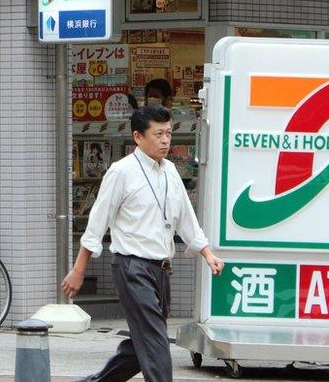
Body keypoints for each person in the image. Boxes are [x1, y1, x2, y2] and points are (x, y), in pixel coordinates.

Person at [62, 104, 224, 382]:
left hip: (161, 270)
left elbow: (186, 217)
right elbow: (97, 222)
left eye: (169, 133)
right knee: (155, 340)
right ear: (138, 137)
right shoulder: (121, 172)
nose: (165, 140)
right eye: (158, 134)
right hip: (131, 267)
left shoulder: (171, 171)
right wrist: (79, 269)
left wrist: (207, 253)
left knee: (141, 344)